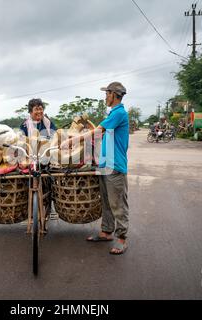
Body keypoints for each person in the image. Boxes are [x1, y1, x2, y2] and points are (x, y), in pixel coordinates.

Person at [61, 82, 129, 255]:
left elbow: (97, 132)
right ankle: (106, 232)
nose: (105, 96)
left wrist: (72, 141)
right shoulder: (113, 114)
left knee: (118, 204)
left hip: (115, 166)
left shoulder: (119, 113)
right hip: (105, 165)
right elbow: (100, 133)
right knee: (106, 202)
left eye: (107, 93)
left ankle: (121, 238)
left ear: (114, 94)